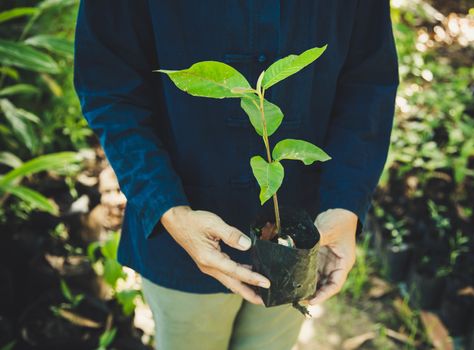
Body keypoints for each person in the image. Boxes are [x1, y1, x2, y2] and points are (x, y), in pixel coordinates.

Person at [73, 0, 398, 349]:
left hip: (303, 236)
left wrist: (346, 204)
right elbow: (108, 85)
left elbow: (368, 83)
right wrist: (166, 206)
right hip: (180, 238)